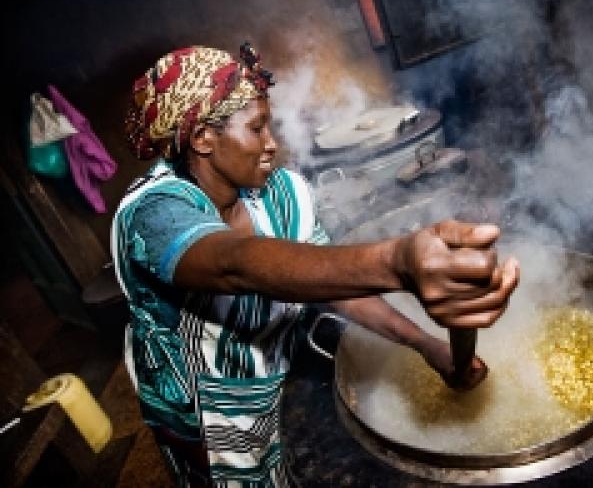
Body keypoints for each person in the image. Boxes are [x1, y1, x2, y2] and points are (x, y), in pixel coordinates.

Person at [111, 42, 519, 487]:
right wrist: (397, 261)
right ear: (204, 138)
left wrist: (428, 346)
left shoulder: (282, 192)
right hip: (203, 422)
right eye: (256, 129)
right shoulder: (154, 213)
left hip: (274, 386)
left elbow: (337, 289)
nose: (271, 146)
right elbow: (236, 264)